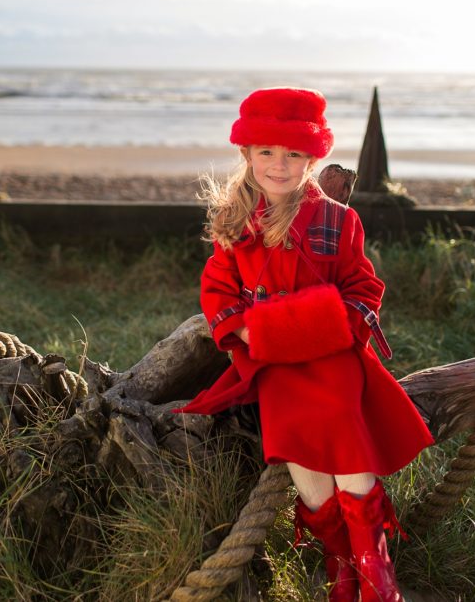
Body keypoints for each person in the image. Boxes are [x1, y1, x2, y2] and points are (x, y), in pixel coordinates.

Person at [177, 87, 433, 601]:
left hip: (331, 356)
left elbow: (364, 288)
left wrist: (332, 325)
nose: (278, 165)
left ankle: (376, 574)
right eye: (266, 152)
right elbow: (218, 290)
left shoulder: (338, 221)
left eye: (293, 154)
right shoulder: (234, 223)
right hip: (273, 360)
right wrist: (249, 331)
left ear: (311, 159)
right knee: (305, 467)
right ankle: (340, 564)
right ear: (247, 156)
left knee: (344, 436)